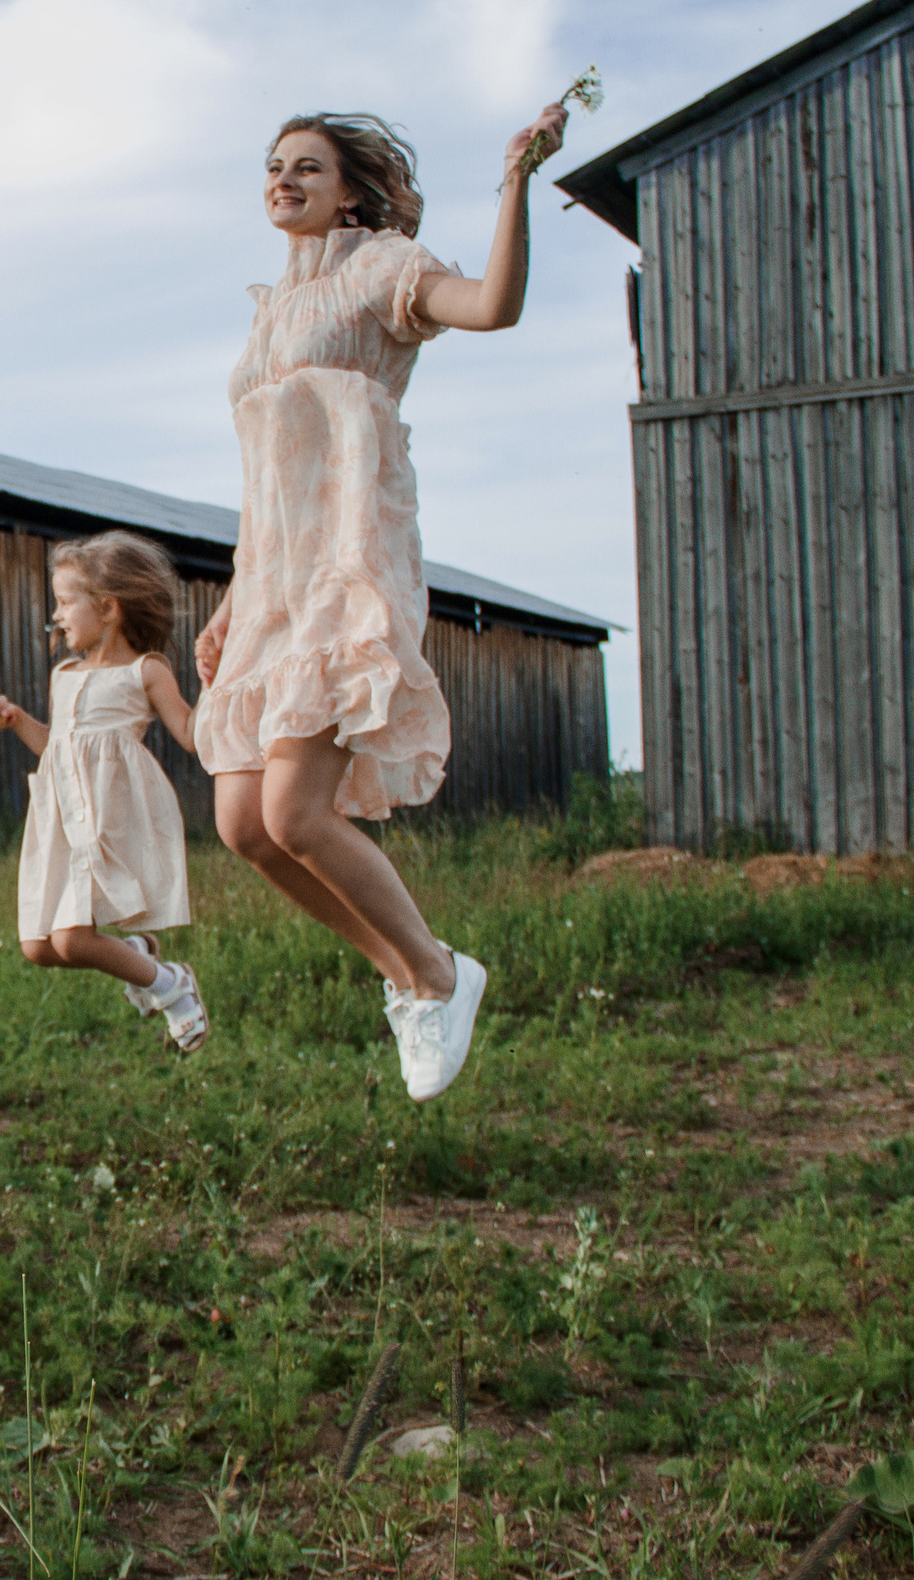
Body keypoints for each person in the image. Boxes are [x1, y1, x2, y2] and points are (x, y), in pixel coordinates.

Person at [188, 104, 568, 1102]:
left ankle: (434, 974)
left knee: (294, 810)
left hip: (345, 560)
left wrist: (515, 185)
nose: (281, 180)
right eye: (271, 166)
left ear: (349, 188)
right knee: (242, 825)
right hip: (269, 576)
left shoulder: (385, 269)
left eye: (305, 167)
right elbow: (265, 477)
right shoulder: (272, 307)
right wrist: (232, 597)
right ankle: (412, 972)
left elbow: (493, 305)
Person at [0, 532, 209, 1051]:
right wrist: (14, 719)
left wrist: (216, 685)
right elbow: (57, 749)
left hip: (110, 816)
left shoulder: (145, 670)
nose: (56, 614)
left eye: (64, 601)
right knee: (38, 947)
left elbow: (191, 736)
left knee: (71, 937)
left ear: (107, 608)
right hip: (62, 818)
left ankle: (172, 986)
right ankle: (138, 956)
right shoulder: (64, 674)